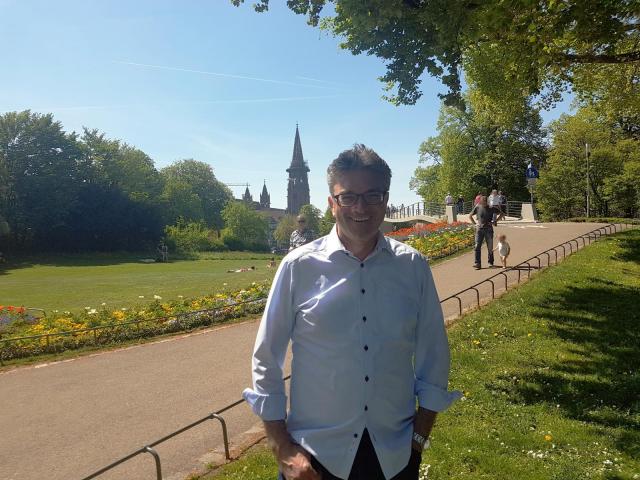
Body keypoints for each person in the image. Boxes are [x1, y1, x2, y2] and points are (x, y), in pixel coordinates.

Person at [243, 144, 460, 480]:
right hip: (315, 459)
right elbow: (266, 359)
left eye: (373, 195)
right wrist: (281, 446)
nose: (360, 207)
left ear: (386, 200)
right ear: (332, 203)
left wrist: (418, 441)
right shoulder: (298, 267)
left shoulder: (412, 266)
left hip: (394, 457)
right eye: (348, 197)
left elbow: (434, 357)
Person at [469, 195, 504, 269]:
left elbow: (502, 214)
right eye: (483, 202)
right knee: (477, 246)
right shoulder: (478, 207)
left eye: (485, 202)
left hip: (488, 229)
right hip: (479, 230)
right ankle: (478, 263)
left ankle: (490, 262)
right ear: (481, 201)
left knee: (490, 247)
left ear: (487, 201)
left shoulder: (491, 208)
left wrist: (495, 221)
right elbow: (470, 216)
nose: (484, 203)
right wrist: (475, 224)